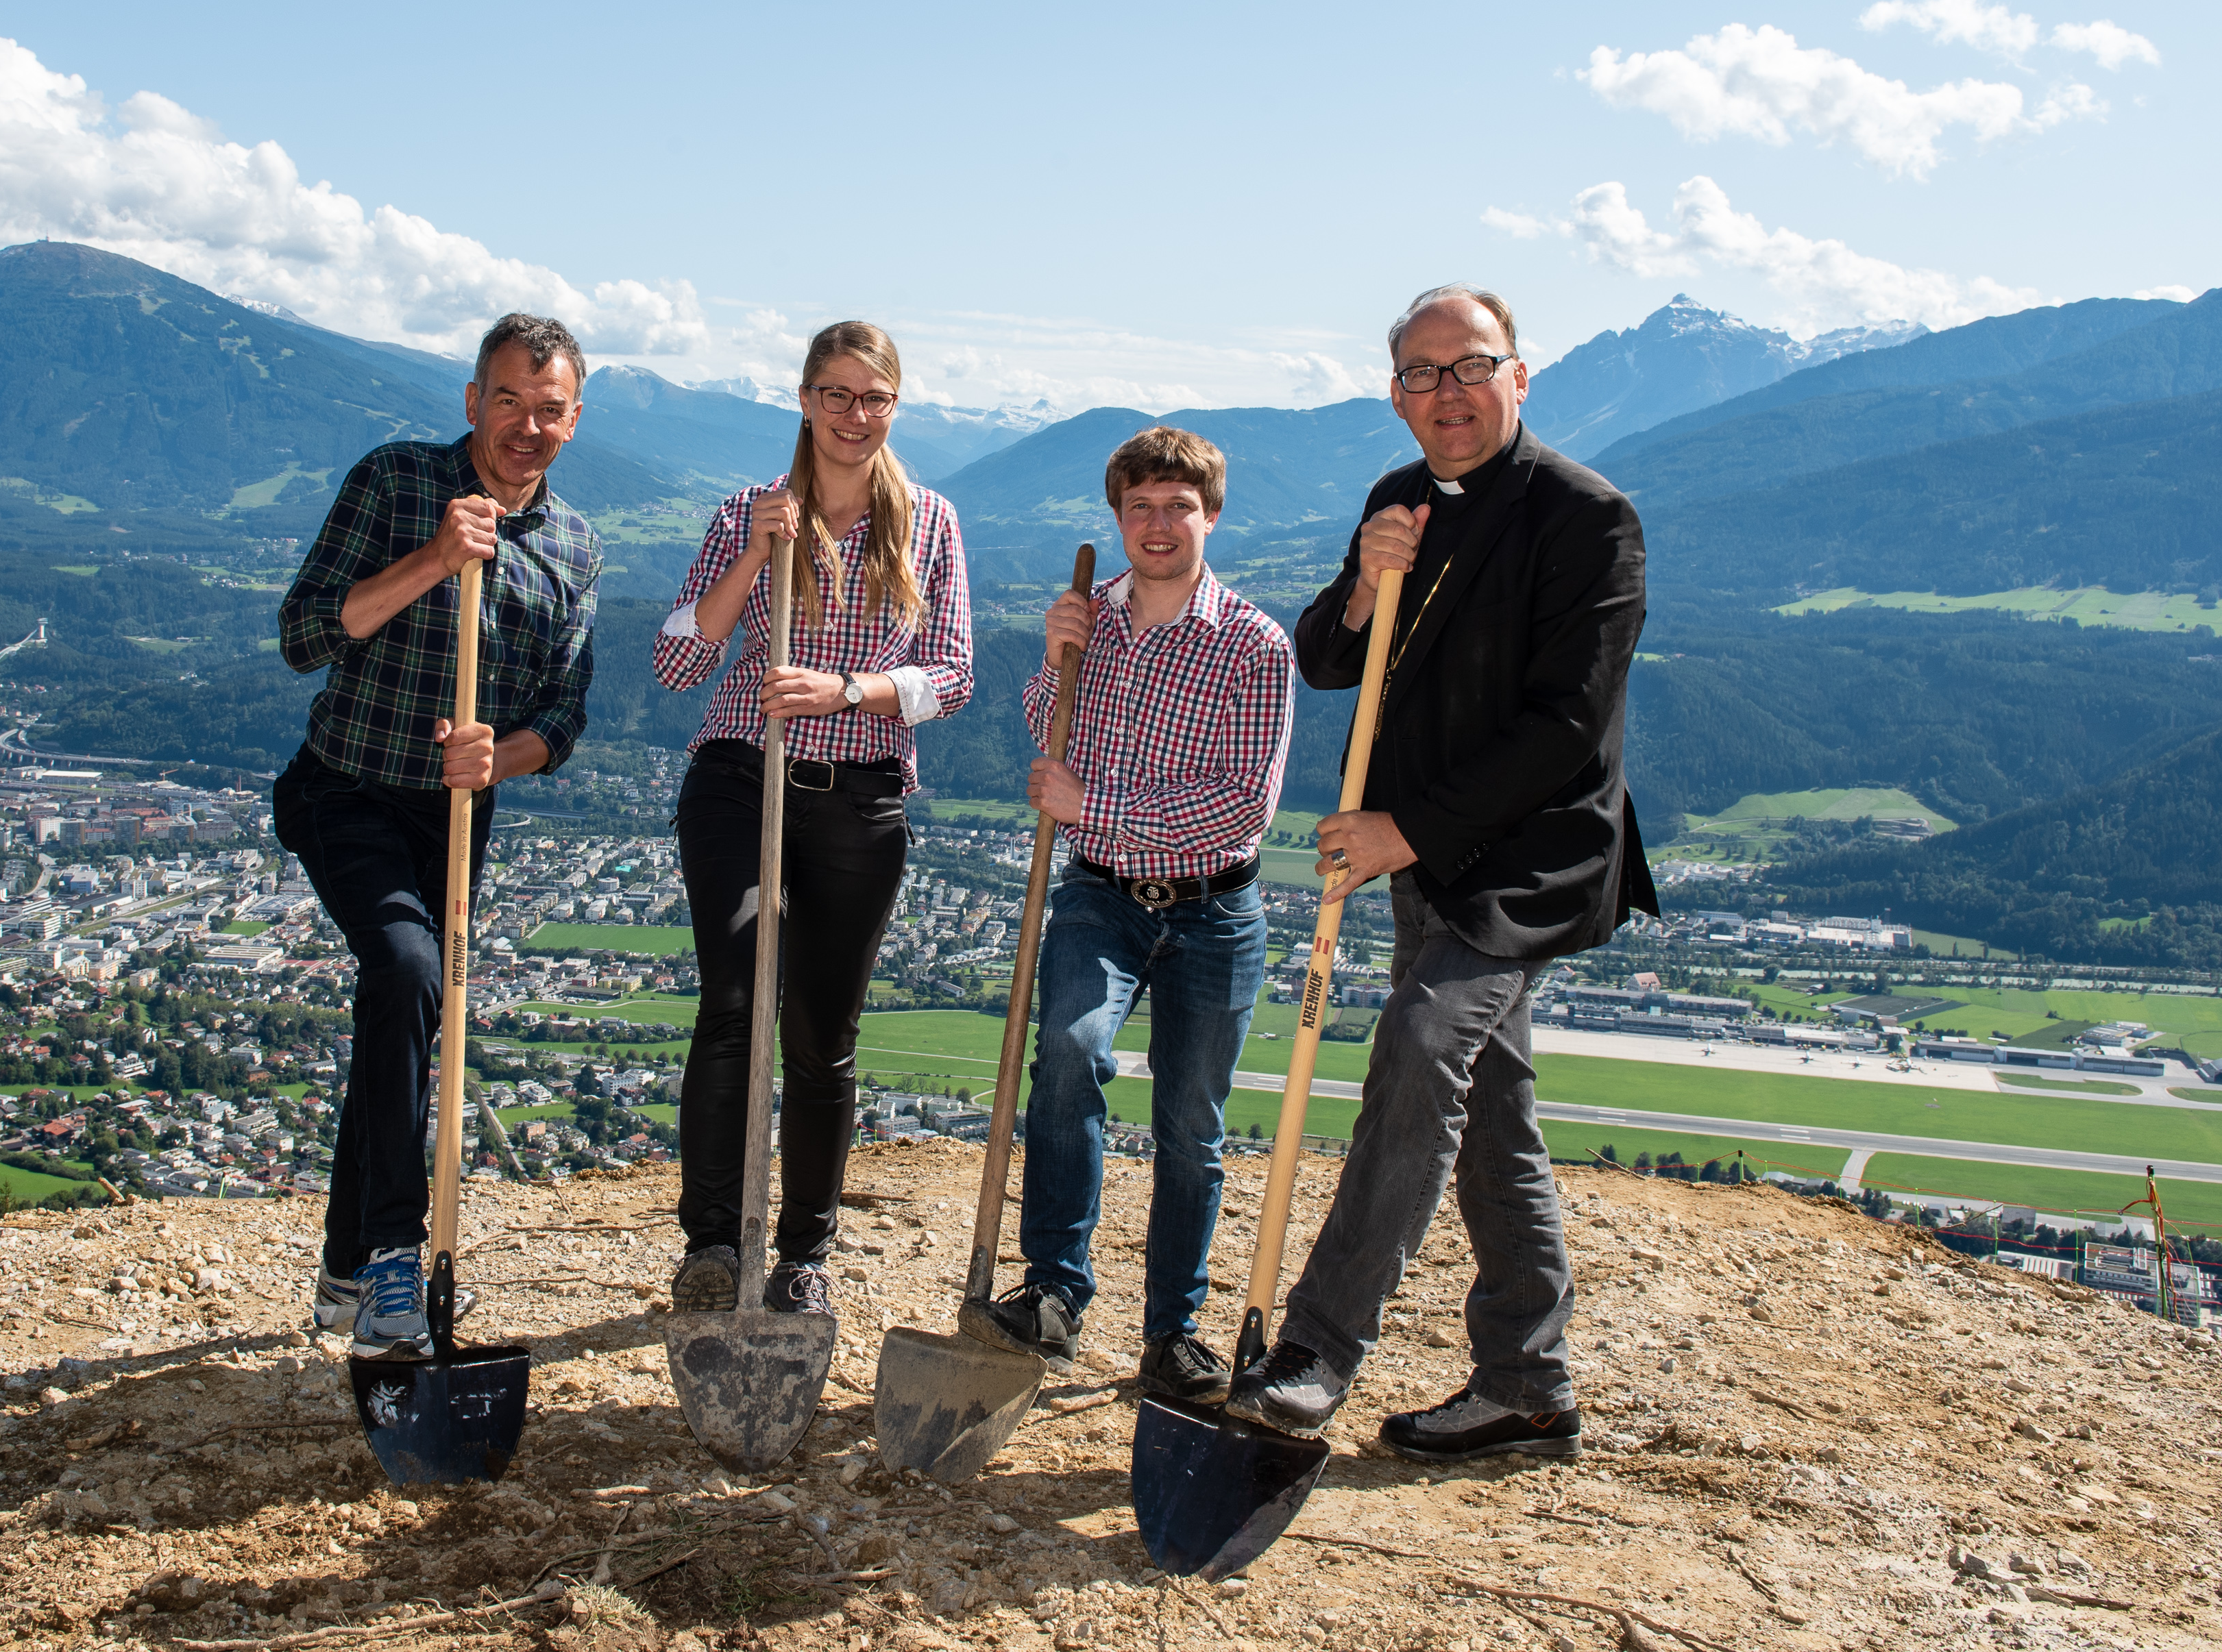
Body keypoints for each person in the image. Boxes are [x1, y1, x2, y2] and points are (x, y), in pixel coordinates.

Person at [1223, 284, 1657, 1462]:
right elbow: (1324, 660)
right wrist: (1364, 583)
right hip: (1425, 853)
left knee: (1420, 1046)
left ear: (1521, 375)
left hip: (1529, 867)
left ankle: (1316, 1349)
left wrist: (1403, 830)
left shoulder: (1589, 519)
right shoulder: (1398, 499)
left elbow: (1567, 726)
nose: (1446, 395)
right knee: (1490, 1114)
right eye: (1420, 375)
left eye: (1469, 368)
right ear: (1396, 394)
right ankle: (1527, 1382)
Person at [271, 314, 602, 1359]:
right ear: (472, 400)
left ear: (575, 421)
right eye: (508, 401)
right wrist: (432, 560)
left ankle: (341, 1265)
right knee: (411, 972)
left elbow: (564, 714)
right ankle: (391, 1261)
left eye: (549, 410)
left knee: (405, 1020)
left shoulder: (575, 549)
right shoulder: (398, 482)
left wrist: (499, 758)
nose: (526, 427)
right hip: (347, 789)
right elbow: (304, 635)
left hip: (455, 814)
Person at [957, 427, 1295, 1406]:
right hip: (1101, 894)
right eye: (1140, 507)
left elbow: (1242, 806)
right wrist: (1053, 657)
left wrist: (1087, 806)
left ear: (1211, 516)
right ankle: (1056, 1293)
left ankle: (1173, 1334)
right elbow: (1049, 730)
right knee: (1065, 1052)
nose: (1157, 525)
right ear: (1118, 517)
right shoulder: (1092, 618)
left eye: (1177, 507)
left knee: (1191, 1125)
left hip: (1213, 911)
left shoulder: (1253, 644)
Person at [657, 319, 975, 1316]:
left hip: (861, 790)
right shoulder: (746, 512)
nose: (854, 415)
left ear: (895, 405)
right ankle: (711, 1245)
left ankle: (804, 1252)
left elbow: (955, 677)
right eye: (836, 394)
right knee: (736, 1000)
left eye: (874, 397)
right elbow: (676, 662)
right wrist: (757, 557)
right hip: (741, 777)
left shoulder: (931, 522)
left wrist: (848, 690)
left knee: (822, 1027)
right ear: (803, 399)